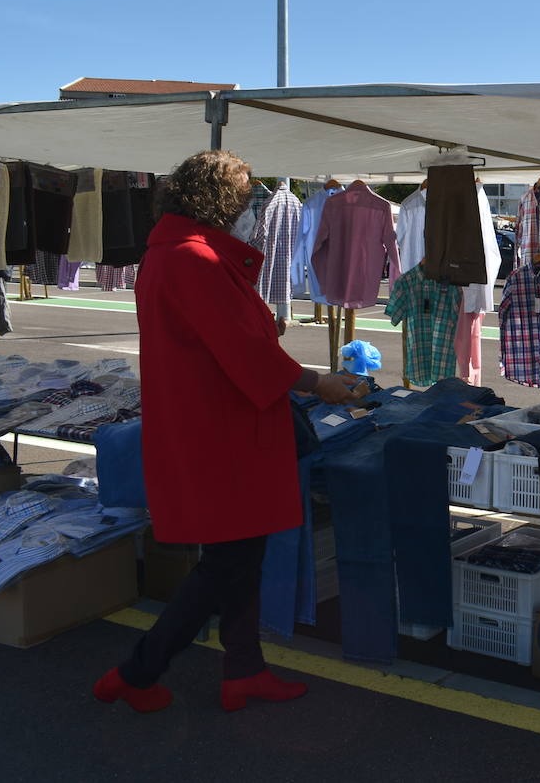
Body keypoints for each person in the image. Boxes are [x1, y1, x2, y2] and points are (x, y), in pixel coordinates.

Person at [94, 150, 357, 714]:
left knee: (239, 557)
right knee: (227, 564)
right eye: (243, 195)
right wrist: (316, 381)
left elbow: (216, 340)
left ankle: (243, 668)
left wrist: (262, 330)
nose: (250, 205)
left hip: (207, 425)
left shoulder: (173, 254)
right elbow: (242, 356)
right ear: (217, 199)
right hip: (224, 432)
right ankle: (139, 671)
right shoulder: (195, 259)